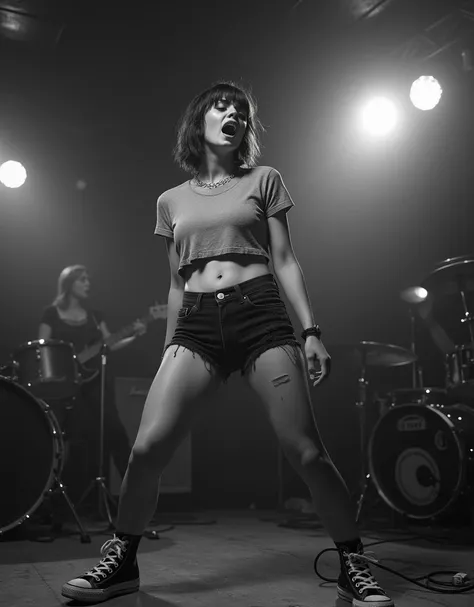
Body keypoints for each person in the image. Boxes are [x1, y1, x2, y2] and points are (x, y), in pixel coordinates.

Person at [61, 82, 393, 606]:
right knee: (146, 449)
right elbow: (174, 284)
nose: (234, 114)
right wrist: (171, 348)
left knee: (306, 451)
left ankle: (352, 561)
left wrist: (310, 331)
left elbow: (284, 258)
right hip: (195, 322)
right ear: (200, 122)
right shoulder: (170, 201)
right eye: (223, 106)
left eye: (242, 110)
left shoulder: (264, 179)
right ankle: (123, 560)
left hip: (260, 312)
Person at [39, 265, 146, 499]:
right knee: (70, 442)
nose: (88, 283)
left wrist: (135, 333)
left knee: (116, 434)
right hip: (64, 387)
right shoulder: (51, 313)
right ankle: (58, 504)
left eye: (88, 279)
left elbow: (110, 344)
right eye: (82, 279)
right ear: (69, 283)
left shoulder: (95, 316)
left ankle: (135, 498)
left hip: (95, 384)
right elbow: (43, 347)